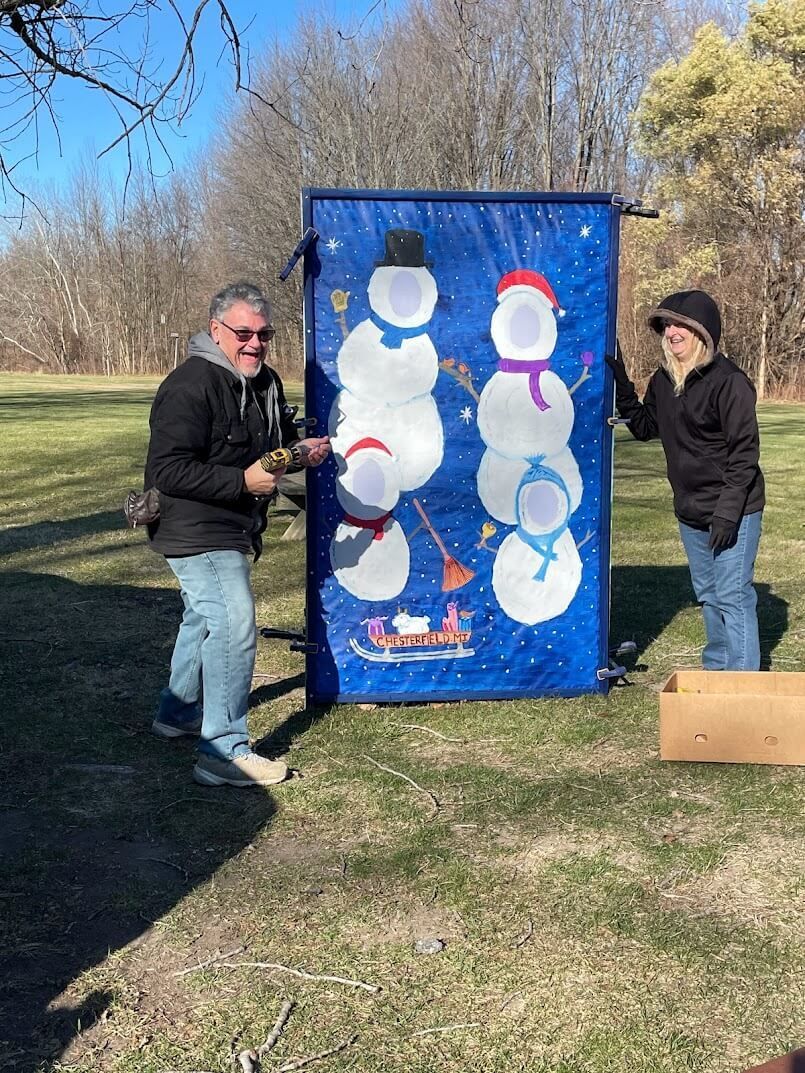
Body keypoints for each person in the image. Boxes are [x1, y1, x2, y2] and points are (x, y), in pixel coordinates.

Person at [144, 281, 330, 787]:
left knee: (203, 618)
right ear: (216, 330)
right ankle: (223, 751)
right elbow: (167, 471)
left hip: (234, 523)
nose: (255, 343)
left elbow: (271, 450)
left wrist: (301, 452)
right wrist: (241, 483)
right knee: (233, 621)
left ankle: (178, 713)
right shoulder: (189, 385)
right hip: (192, 526)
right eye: (243, 333)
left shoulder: (265, 382)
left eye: (264, 334)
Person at [608, 289, 765, 671]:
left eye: (680, 325)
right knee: (709, 593)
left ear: (702, 332)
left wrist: (727, 514)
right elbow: (645, 427)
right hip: (690, 510)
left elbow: (744, 455)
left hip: (734, 509)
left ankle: (741, 683)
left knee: (732, 594)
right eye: (666, 325)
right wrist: (622, 385)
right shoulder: (664, 380)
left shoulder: (730, 383)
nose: (671, 332)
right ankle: (717, 669)